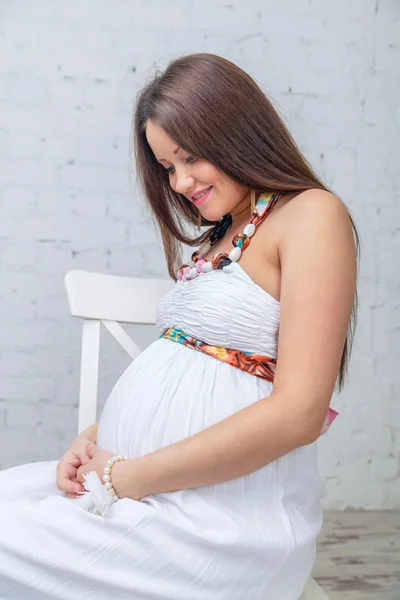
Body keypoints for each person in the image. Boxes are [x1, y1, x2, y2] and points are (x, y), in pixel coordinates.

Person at [0, 52, 358, 599]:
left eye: (190, 157)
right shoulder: (222, 235)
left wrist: (127, 476)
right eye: (168, 167)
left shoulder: (310, 214)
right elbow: (190, 369)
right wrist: (95, 439)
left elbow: (298, 413)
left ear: (237, 133)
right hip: (142, 490)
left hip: (219, 523)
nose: (181, 181)